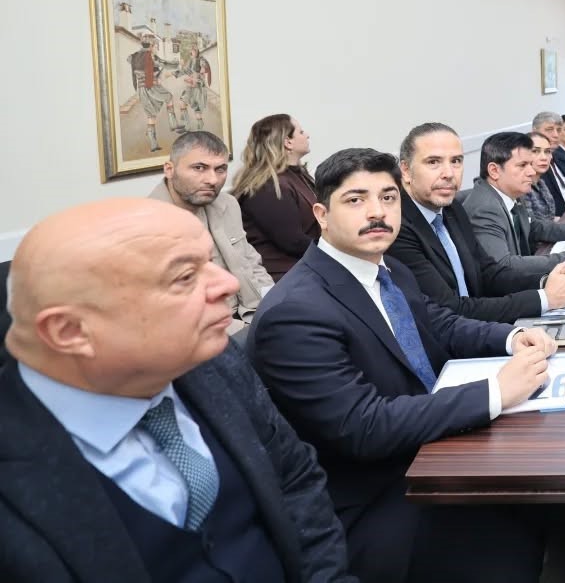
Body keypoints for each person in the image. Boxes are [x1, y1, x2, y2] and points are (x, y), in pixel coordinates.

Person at [0, 199, 354, 583]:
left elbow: (296, 482)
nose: (229, 284)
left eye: (209, 262)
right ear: (70, 331)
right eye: (185, 277)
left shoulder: (214, 361)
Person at [248, 148, 555, 582]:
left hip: (424, 454)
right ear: (322, 214)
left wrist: (510, 337)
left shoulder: (386, 267)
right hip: (375, 497)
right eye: (356, 200)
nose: (377, 212)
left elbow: (438, 323)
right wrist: (495, 392)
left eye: (388, 198)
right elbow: (363, 426)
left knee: (544, 497)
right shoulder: (296, 312)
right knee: (525, 527)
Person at [388, 123, 565, 324]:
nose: (449, 173)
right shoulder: (397, 228)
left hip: (480, 324)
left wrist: (548, 281)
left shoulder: (452, 209)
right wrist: (546, 298)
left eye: (456, 161)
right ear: (405, 170)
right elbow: (453, 310)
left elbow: (489, 273)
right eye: (433, 162)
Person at [149, 131, 273, 336]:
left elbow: (251, 262)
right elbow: (173, 308)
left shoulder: (227, 204)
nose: (212, 180)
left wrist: (274, 304)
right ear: (169, 169)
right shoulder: (149, 224)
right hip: (206, 329)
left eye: (220, 169)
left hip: (252, 314)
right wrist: (247, 331)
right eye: (199, 168)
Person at [463, 131, 565, 275]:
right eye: (522, 165)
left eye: (530, 164)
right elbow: (504, 266)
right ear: (494, 171)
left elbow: (535, 227)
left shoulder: (510, 192)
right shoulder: (485, 208)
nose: (531, 172)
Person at [233, 113, 321, 279]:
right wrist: (338, 253)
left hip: (306, 267)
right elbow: (292, 241)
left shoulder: (298, 175)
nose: (307, 135)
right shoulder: (268, 186)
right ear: (288, 142)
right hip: (284, 276)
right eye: (301, 132)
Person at [129, 32, 180, 152]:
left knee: (151, 115)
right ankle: (173, 125)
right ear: (151, 45)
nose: (156, 47)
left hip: (141, 89)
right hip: (151, 87)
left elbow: (134, 64)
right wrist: (178, 64)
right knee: (168, 97)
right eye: (155, 45)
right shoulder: (151, 57)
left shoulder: (133, 56)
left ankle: (153, 144)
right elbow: (165, 64)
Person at [523, 130, 561, 220]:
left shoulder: (541, 183)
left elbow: (550, 218)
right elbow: (533, 225)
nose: (544, 157)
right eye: (535, 151)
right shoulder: (521, 188)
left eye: (547, 151)